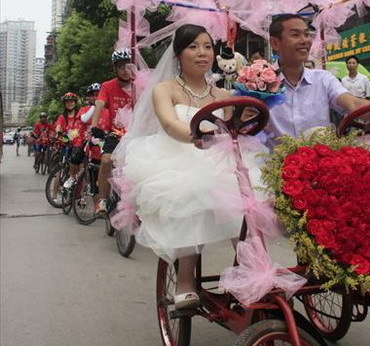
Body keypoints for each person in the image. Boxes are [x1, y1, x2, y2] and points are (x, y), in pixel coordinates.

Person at [267, 14, 370, 335]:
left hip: (325, 169)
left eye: (306, 34)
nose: (303, 40)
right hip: (278, 173)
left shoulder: (324, 79)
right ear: (275, 43)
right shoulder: (260, 83)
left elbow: (351, 102)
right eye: (295, 34)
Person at [114, 24, 266, 309]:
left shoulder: (223, 95)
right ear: (178, 54)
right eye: (193, 47)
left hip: (219, 158)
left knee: (244, 193)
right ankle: (185, 278)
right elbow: (170, 124)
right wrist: (196, 136)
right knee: (190, 189)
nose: (202, 53)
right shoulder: (164, 89)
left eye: (208, 46)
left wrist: (249, 114)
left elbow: (234, 129)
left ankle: (252, 268)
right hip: (176, 155)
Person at [90, 49, 133, 216]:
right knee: (106, 160)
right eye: (121, 66)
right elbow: (99, 105)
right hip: (114, 134)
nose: (125, 70)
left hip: (134, 134)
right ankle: (103, 199)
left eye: (128, 65)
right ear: (115, 69)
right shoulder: (107, 86)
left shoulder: (138, 85)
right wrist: (94, 126)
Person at [63, 83, 106, 190]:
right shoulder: (83, 109)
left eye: (98, 94)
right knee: (75, 156)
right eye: (92, 95)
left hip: (101, 142)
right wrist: (95, 106)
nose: (95, 97)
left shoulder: (107, 110)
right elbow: (83, 120)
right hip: (82, 140)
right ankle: (72, 177)